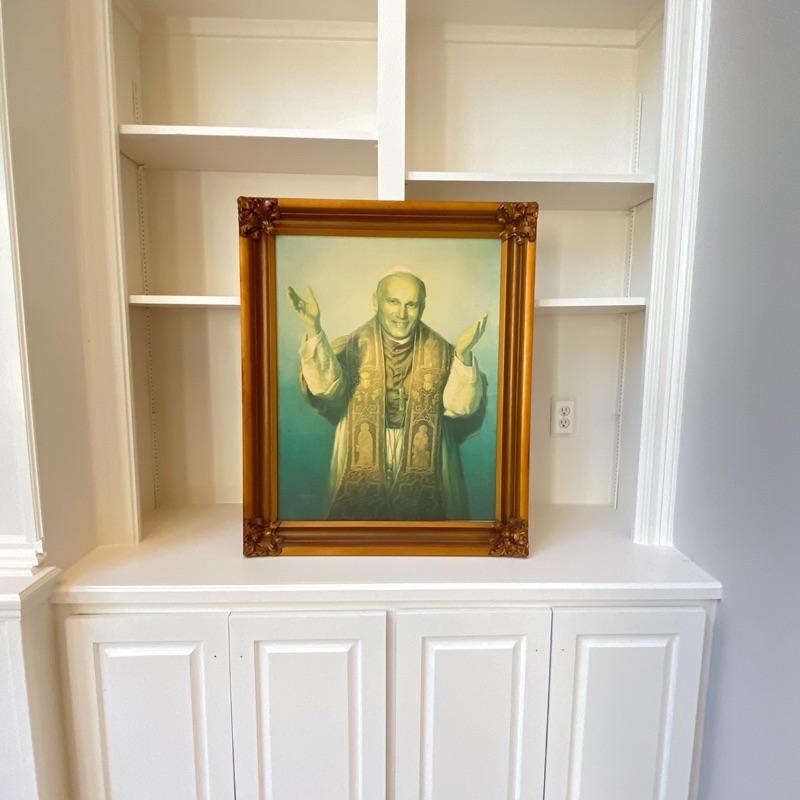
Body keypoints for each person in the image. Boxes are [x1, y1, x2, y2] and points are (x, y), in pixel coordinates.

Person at [287, 270, 487, 520]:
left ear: (422, 308)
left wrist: (463, 355)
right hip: (360, 448)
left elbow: (461, 408)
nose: (401, 314)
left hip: (430, 455)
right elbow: (327, 389)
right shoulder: (350, 346)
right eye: (393, 302)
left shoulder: (445, 353)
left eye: (411, 304)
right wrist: (314, 328)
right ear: (376, 302)